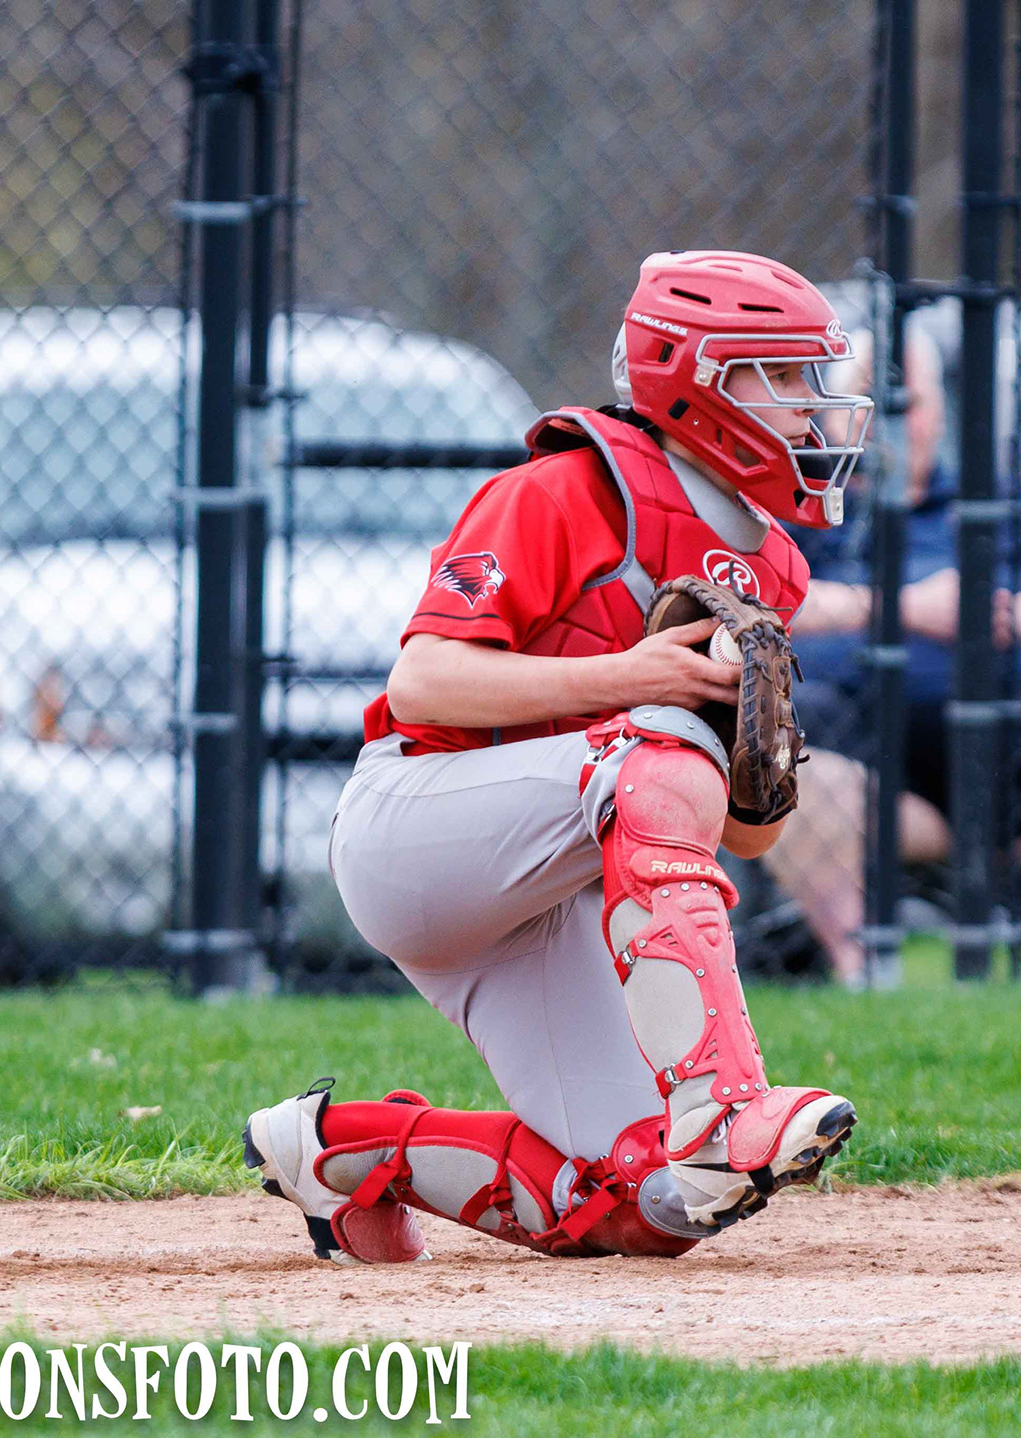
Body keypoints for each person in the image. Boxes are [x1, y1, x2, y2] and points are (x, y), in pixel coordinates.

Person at [240, 251, 872, 1265]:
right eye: (785, 375)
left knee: (652, 1202)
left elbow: (745, 838)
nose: (813, 405)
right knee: (654, 750)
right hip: (418, 830)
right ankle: (724, 1107)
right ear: (698, 379)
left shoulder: (771, 561)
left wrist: (760, 768)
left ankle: (342, 1153)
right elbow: (423, 684)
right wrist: (637, 681)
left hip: (551, 882)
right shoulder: (564, 490)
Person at [769, 331, 1021, 986]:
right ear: (831, 416)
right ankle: (864, 966)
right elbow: (757, 602)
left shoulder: (1002, 503)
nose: (894, 424)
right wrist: (899, 606)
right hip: (872, 774)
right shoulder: (806, 512)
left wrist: (1013, 613)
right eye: (870, 403)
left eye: (910, 403)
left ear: (941, 414)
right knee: (778, 731)